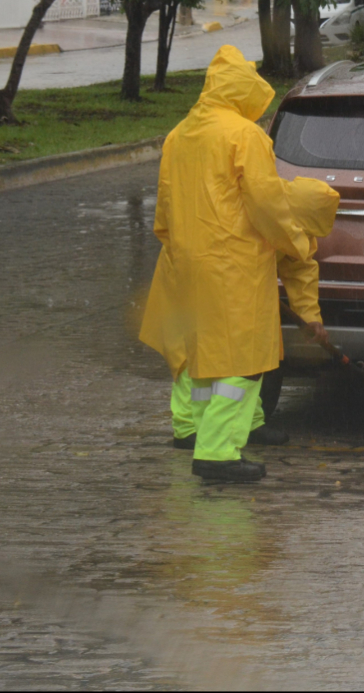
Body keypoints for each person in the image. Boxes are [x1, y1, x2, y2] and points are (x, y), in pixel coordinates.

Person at [139, 44, 313, 484]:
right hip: (236, 265)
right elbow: (267, 204)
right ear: (241, 89)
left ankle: (202, 437)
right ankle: (218, 452)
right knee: (242, 361)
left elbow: (164, 210)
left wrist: (181, 247)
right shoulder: (245, 136)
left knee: (205, 360)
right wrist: (295, 243)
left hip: (188, 262)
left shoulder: (179, 134)